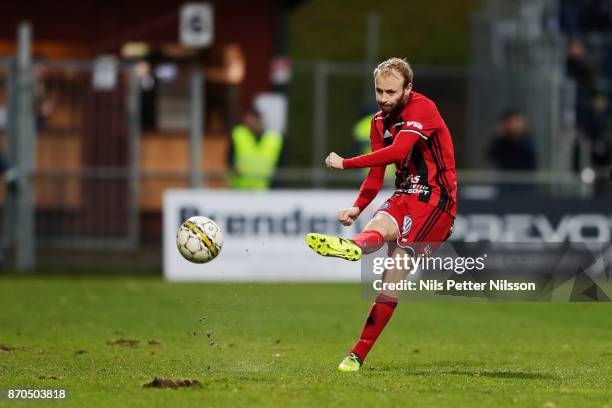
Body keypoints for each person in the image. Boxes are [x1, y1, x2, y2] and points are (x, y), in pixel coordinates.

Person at [304, 58, 457, 372]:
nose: (385, 98)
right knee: (379, 227)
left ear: (407, 89)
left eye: (391, 91)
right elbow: (377, 173)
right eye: (379, 91)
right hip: (403, 194)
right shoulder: (378, 122)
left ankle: (358, 351)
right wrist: (357, 206)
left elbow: (399, 152)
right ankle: (355, 248)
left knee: (392, 276)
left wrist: (344, 163)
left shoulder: (422, 107)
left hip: (436, 201)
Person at [227, 109, 283, 190]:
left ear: (259, 120)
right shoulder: (239, 134)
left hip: (265, 189)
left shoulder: (274, 139)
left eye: (251, 121)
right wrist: (233, 167)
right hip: (240, 189)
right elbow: (229, 158)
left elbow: (280, 164)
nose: (248, 124)